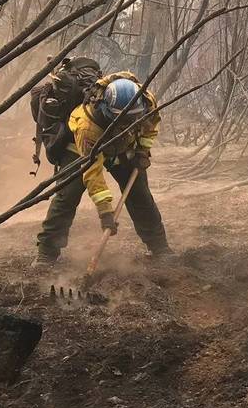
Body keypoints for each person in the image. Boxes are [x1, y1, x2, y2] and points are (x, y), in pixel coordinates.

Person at [33, 72, 171, 265]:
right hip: (81, 149)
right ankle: (46, 253)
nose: (129, 123)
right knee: (68, 195)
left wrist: (142, 150)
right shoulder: (87, 125)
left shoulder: (146, 100)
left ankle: (159, 247)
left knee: (139, 194)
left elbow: (151, 125)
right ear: (107, 110)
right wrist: (105, 212)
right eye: (123, 119)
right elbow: (93, 173)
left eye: (134, 118)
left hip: (123, 146)